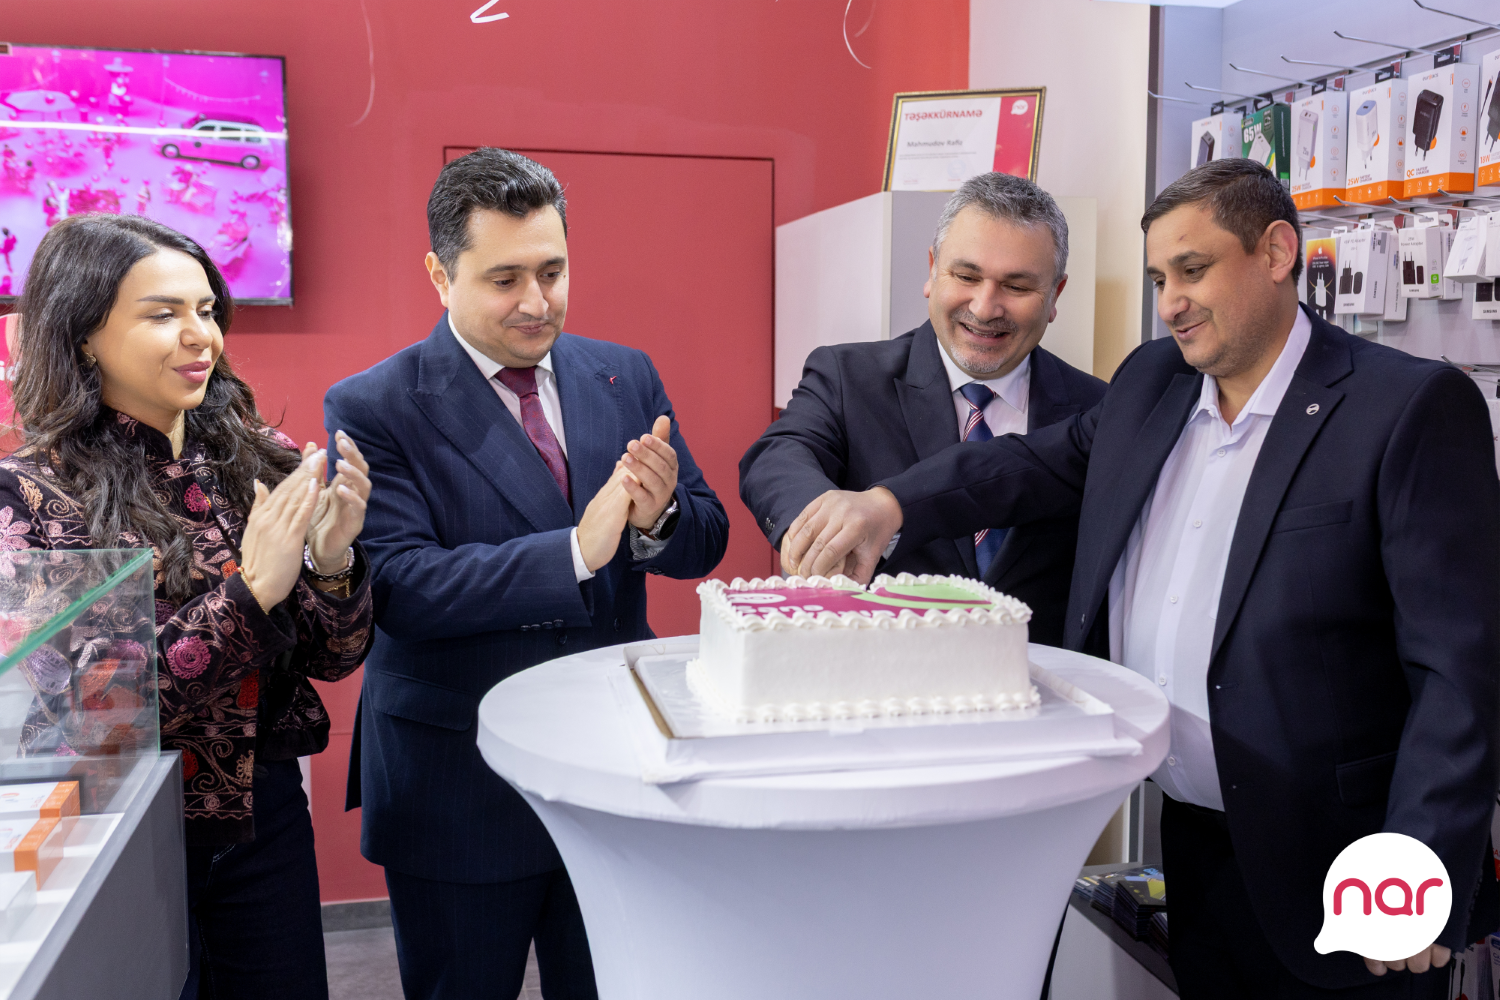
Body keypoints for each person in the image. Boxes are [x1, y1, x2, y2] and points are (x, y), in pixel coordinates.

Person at [778, 159, 1500, 998]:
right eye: (1159, 278)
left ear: (1276, 253)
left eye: (1192, 270)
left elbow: (1461, 665)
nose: (1170, 303)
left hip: (1347, 865)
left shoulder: (1404, 406)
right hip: (1194, 850)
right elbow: (1024, 467)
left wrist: (1418, 857)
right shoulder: (1154, 382)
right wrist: (888, 505)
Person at [325, 147, 729, 1000]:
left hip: (612, 771)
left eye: (553, 271)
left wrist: (657, 519)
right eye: (505, 279)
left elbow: (706, 537)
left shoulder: (623, 373)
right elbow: (402, 588)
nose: (537, 302)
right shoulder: (374, 404)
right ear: (440, 275)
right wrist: (577, 550)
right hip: (455, 781)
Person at [0, 213, 374, 999]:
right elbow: (94, 714)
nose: (200, 335)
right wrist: (253, 592)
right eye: (162, 314)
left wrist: (333, 562)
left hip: (265, 815)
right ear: (84, 334)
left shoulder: (255, 458)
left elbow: (335, 660)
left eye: (206, 310)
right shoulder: (28, 495)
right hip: (123, 829)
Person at [739, 173, 1104, 645]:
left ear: (1055, 295)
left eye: (1016, 286)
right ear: (932, 271)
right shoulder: (849, 376)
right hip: (880, 670)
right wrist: (824, 532)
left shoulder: (1097, 408)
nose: (985, 307)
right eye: (966, 277)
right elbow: (777, 457)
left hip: (1039, 681)